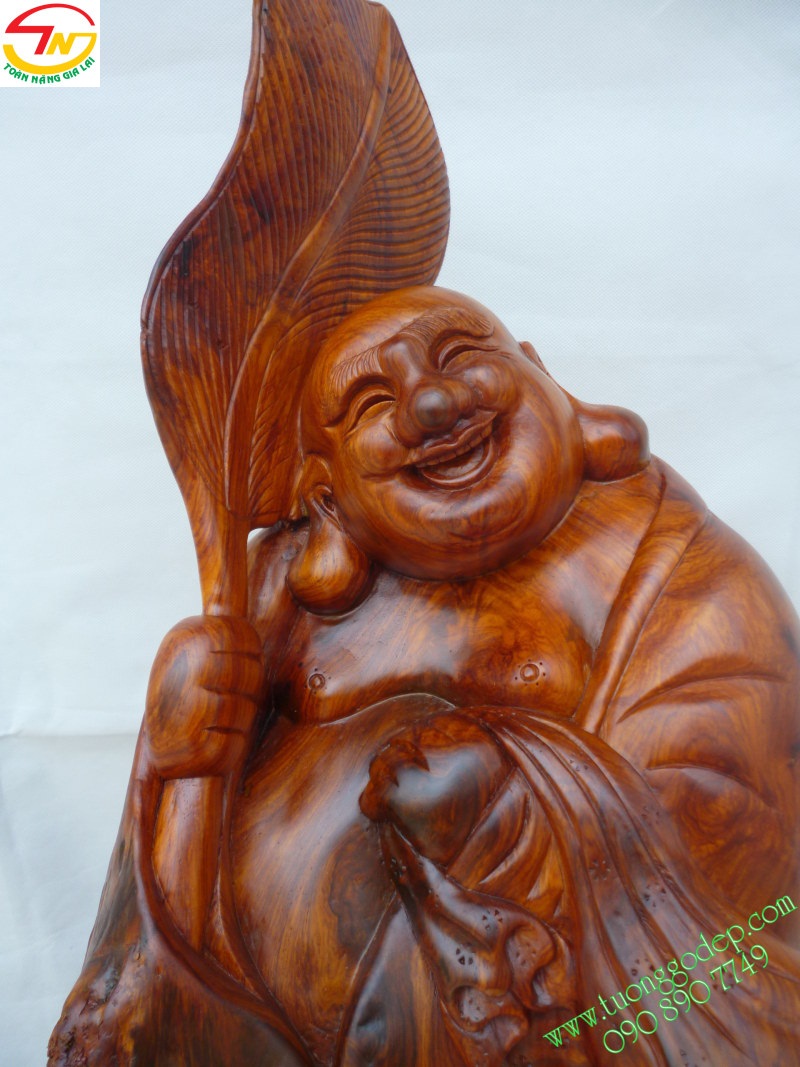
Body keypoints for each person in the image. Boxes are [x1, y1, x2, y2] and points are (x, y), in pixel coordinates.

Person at [50, 288, 800, 1066]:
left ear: (543, 377)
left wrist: (509, 804)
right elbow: (152, 925)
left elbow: (745, 833)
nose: (434, 405)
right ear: (325, 493)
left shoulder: (674, 568)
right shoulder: (274, 590)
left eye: (460, 355)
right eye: (373, 403)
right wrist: (172, 754)